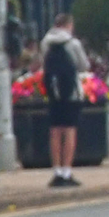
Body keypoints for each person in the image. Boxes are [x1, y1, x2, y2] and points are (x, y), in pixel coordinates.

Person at [38, 12, 88, 187]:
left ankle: (56, 170)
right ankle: (67, 171)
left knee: (55, 131)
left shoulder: (45, 42)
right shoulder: (73, 43)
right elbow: (84, 65)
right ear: (68, 25)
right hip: (71, 92)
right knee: (69, 130)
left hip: (53, 92)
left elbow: (43, 63)